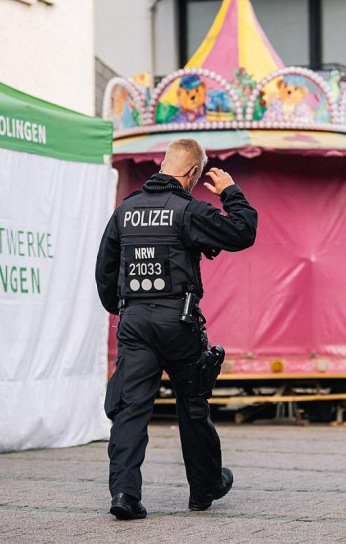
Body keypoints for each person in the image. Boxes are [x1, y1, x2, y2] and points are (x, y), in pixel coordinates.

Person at [95, 138, 258, 520]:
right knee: (193, 402)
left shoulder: (125, 211)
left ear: (163, 165)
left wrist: (123, 311)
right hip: (177, 321)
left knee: (130, 408)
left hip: (134, 322)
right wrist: (231, 192)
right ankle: (203, 488)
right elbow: (243, 232)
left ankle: (124, 494)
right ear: (192, 173)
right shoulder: (187, 210)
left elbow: (105, 269)